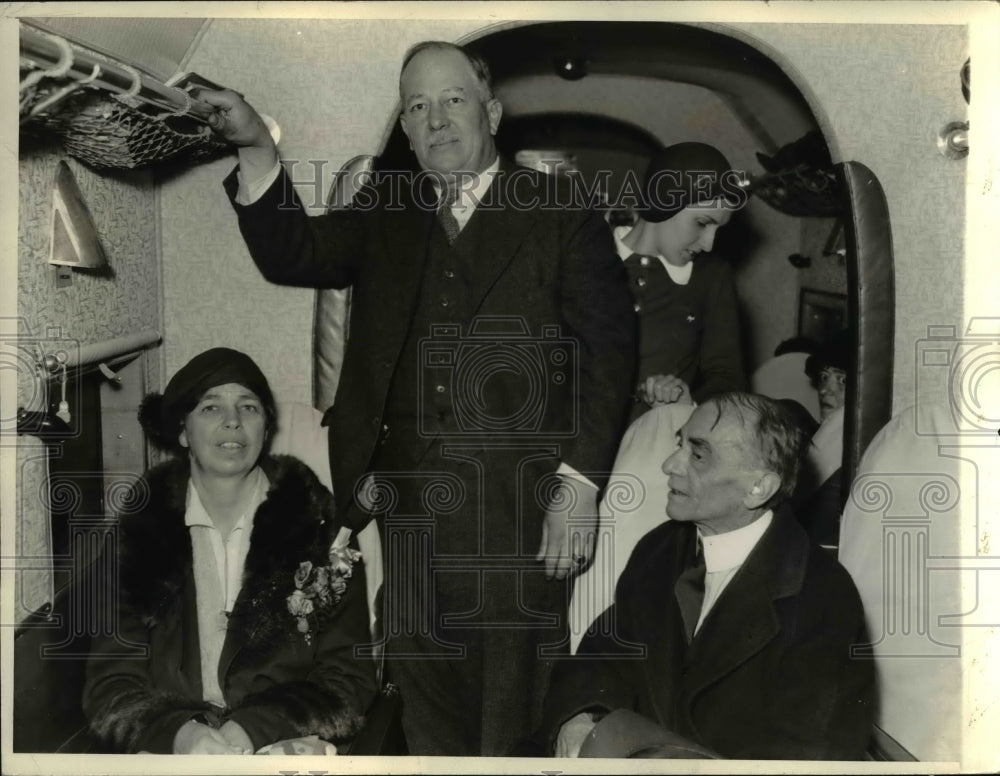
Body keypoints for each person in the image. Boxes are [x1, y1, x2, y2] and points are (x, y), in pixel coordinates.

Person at [197, 41, 635, 755]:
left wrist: (579, 485)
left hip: (515, 509)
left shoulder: (560, 210)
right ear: (404, 128)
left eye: (453, 99)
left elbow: (608, 354)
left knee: (507, 707)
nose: (435, 120)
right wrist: (254, 147)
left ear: (491, 112)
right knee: (420, 697)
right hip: (405, 507)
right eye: (416, 107)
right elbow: (294, 253)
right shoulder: (387, 210)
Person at [537, 392, 875, 760]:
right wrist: (582, 714)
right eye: (679, 444)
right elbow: (604, 654)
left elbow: (810, 754)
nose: (669, 465)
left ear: (758, 488)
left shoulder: (823, 597)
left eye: (697, 455)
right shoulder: (660, 548)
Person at [82, 348, 376, 754]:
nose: (232, 421)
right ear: (183, 431)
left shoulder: (318, 525)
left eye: (248, 407)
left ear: (265, 426)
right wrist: (181, 734)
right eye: (210, 407)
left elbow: (350, 675)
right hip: (174, 745)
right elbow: (110, 683)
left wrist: (254, 728)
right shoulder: (139, 530)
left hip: (283, 737)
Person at [615, 143, 746, 422]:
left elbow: (727, 377)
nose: (709, 244)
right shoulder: (585, 256)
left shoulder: (712, 277)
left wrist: (689, 402)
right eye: (702, 223)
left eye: (717, 230)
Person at [794, 330, 851, 546]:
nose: (825, 390)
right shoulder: (819, 429)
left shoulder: (841, 426)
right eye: (824, 377)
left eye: (842, 379)